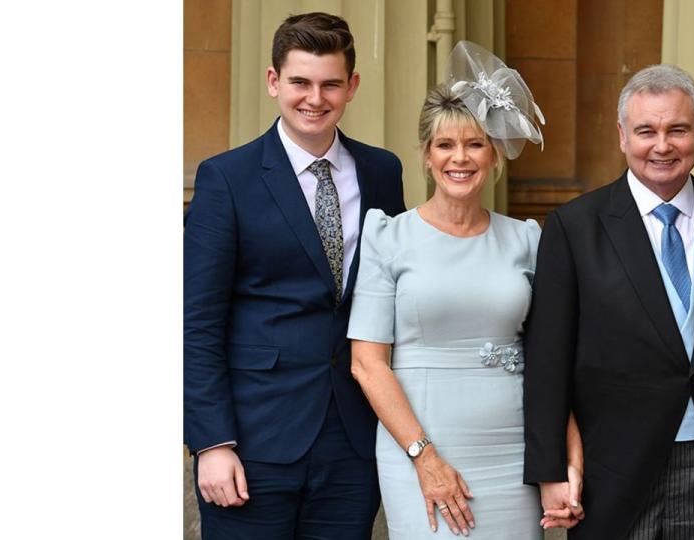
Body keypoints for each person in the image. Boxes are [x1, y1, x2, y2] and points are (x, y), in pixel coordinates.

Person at [347, 41, 582, 539]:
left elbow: (552, 360)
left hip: (515, 454)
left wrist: (566, 462)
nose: (460, 158)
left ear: (494, 154)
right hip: (420, 452)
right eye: (445, 145)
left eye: (475, 144)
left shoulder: (528, 238)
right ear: (426, 156)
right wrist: (424, 457)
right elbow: (367, 363)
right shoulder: (387, 237)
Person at [184, 12, 406, 539]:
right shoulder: (226, 178)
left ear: (351, 86)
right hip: (253, 440)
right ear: (273, 82)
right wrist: (212, 443)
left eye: (331, 83)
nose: (315, 98)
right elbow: (196, 322)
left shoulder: (383, 172)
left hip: (352, 439)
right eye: (300, 82)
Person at [523, 64, 694, 539]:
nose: (662, 145)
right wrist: (550, 469)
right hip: (613, 470)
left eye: (677, 129)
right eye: (646, 131)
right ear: (622, 136)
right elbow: (547, 359)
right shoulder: (575, 227)